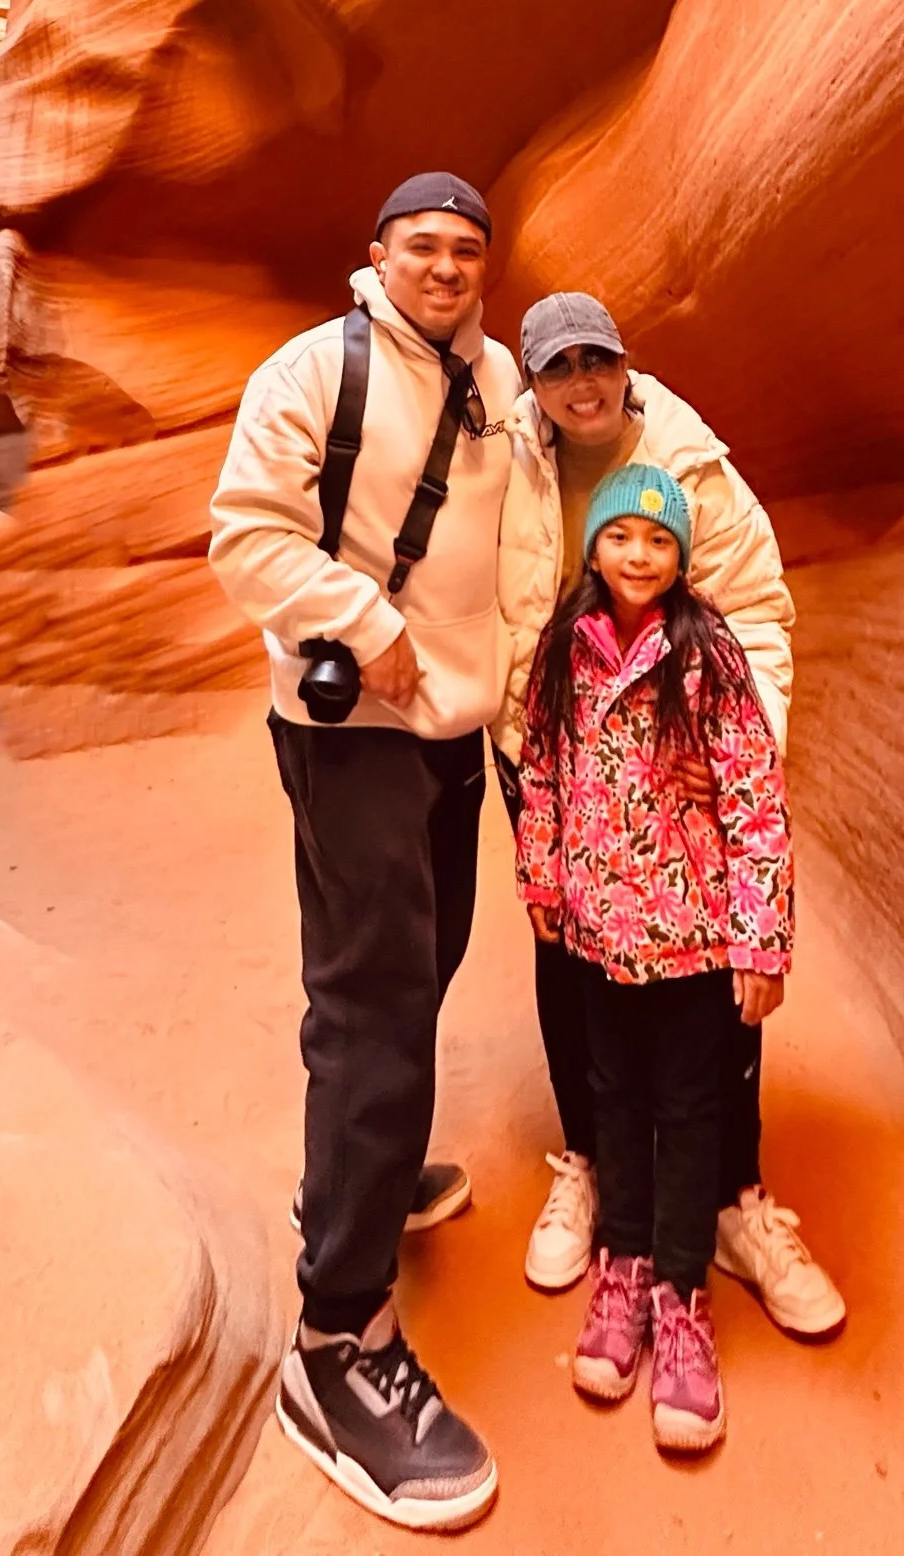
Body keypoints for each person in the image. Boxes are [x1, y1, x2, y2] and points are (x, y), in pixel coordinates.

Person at [208, 173, 518, 1532]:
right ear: (375, 254)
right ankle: (336, 1342)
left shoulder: (495, 375)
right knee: (375, 1002)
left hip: (452, 725)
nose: (443, 268)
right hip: (350, 729)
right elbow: (247, 537)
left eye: (465, 251)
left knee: (423, 962)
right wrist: (364, 624)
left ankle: (358, 1177)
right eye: (422, 247)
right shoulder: (309, 373)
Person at [495, 292, 844, 1338]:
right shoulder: (504, 458)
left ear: (625, 361)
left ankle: (733, 1197)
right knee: (572, 968)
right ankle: (596, 1167)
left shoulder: (690, 462)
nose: (583, 384)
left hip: (682, 763)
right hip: (551, 749)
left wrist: (734, 751)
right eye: (560, 369)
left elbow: (762, 613)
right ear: (533, 383)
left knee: (710, 997)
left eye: (598, 359)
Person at [516, 463, 793, 1450]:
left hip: (691, 940)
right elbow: (542, 768)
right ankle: (622, 1261)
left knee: (690, 1104)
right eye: (622, 535)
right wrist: (542, 878)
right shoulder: (565, 646)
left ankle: (679, 1292)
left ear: (682, 554)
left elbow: (755, 798)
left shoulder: (707, 654)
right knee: (613, 1098)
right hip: (597, 934)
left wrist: (762, 935)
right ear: (593, 544)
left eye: (659, 539)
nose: (640, 555)